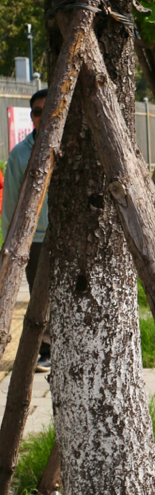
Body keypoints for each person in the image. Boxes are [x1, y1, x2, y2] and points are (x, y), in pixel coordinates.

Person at [1, 88, 51, 372]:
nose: (42, 117)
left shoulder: (73, 147)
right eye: (37, 112)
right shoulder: (20, 154)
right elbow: (11, 202)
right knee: (40, 296)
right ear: (31, 117)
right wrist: (12, 244)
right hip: (37, 238)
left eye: (47, 109)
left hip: (70, 235)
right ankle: (44, 350)